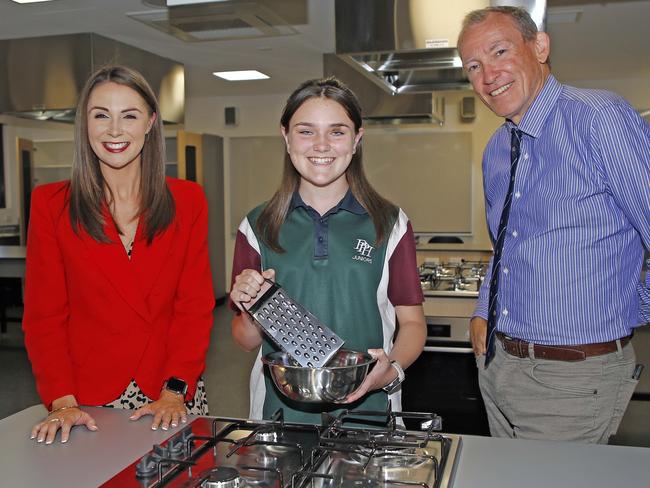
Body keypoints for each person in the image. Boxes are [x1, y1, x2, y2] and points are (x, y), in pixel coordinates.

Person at [458, 6, 650, 443]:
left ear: (540, 46)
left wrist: (632, 305)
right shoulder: (495, 150)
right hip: (498, 367)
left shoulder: (598, 118)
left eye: (500, 51)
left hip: (572, 379)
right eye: (474, 66)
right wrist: (484, 307)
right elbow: (506, 246)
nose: (488, 75)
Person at [23, 65, 215, 445]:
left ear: (150, 123)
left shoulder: (187, 201)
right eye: (101, 115)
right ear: (86, 125)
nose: (114, 130)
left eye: (129, 115)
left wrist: (175, 390)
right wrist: (61, 401)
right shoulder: (52, 205)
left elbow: (192, 308)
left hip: (170, 390)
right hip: (84, 401)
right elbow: (45, 316)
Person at [229, 77, 426, 424]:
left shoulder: (390, 223)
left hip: (369, 409)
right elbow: (245, 340)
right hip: (280, 412)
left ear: (357, 139)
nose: (322, 145)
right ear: (286, 137)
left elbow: (412, 323)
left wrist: (391, 369)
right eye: (306, 131)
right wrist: (250, 308)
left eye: (337, 131)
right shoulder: (257, 225)